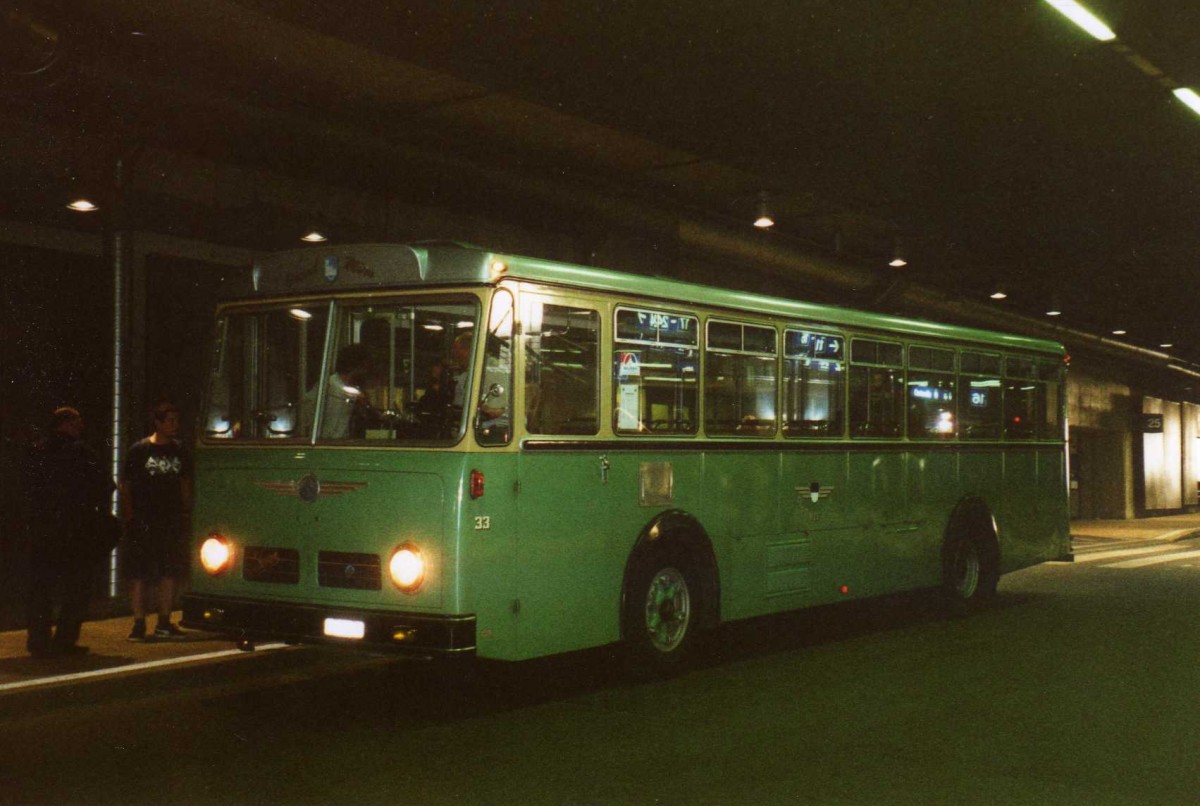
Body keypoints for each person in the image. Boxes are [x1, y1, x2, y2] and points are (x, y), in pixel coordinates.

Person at [24, 407, 114, 658]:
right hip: (76, 529)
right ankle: (64, 640)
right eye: (78, 421)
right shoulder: (82, 452)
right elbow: (106, 486)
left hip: (42, 528)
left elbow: (24, 487)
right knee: (76, 587)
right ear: (70, 423)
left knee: (41, 588)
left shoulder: (36, 451)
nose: (81, 425)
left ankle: (38, 642)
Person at [121, 401, 192, 641]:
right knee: (139, 572)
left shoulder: (180, 450)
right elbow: (126, 485)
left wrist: (185, 511)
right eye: (169, 421)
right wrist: (130, 515)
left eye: (176, 421)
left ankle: (164, 621)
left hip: (170, 519)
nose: (174, 425)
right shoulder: (139, 451)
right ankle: (139, 624)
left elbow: (185, 483)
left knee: (169, 571)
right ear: (157, 423)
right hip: (144, 520)